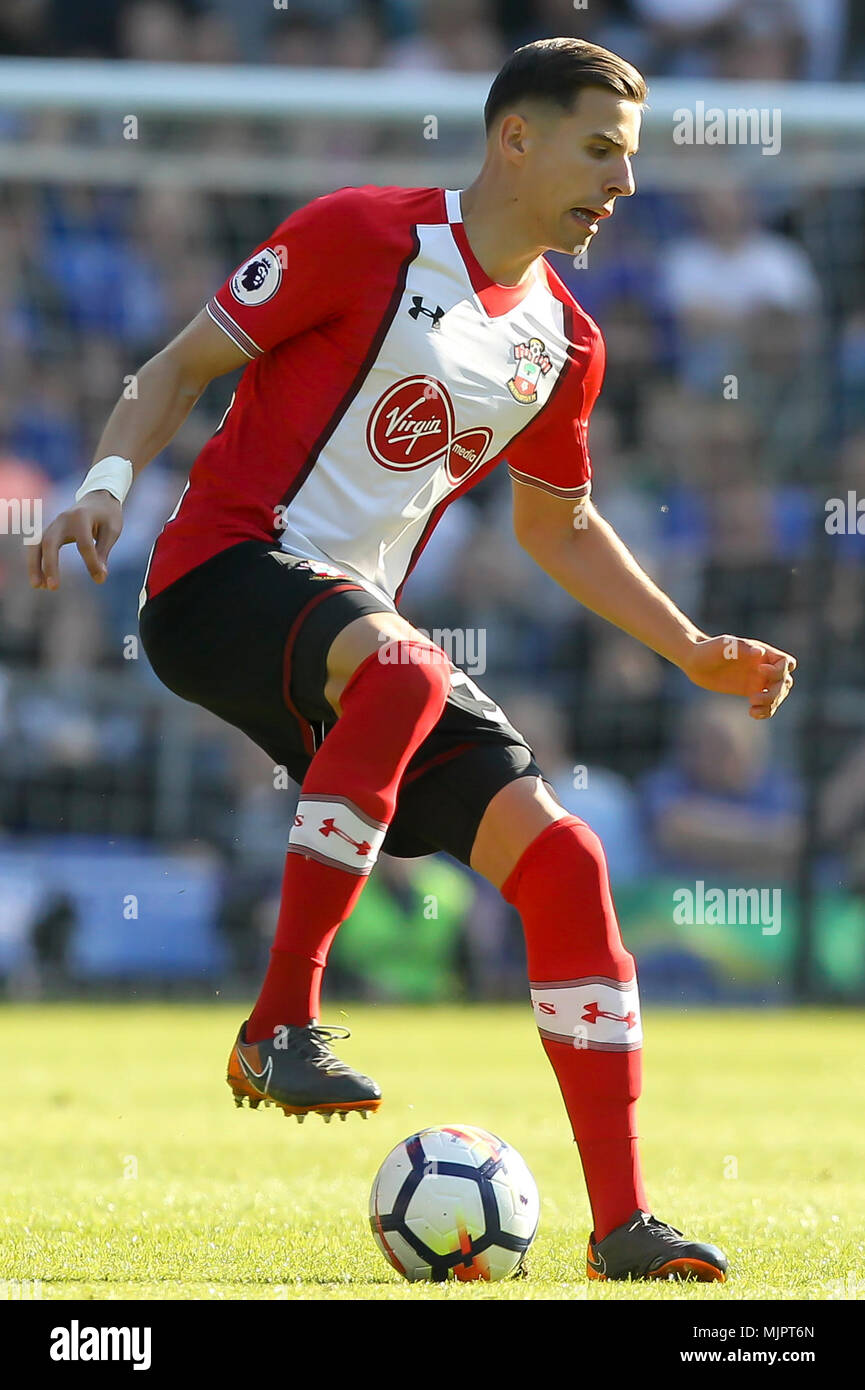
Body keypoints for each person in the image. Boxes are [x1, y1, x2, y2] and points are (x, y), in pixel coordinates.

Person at [27, 37, 796, 1283]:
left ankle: (622, 1226)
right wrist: (107, 484)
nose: (622, 183)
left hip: (355, 641)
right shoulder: (359, 234)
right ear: (517, 139)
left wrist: (690, 645)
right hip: (217, 578)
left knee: (566, 862)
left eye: (631, 158)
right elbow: (175, 368)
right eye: (600, 150)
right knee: (402, 673)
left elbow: (560, 525)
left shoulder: (565, 342)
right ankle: (280, 1023)